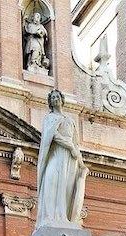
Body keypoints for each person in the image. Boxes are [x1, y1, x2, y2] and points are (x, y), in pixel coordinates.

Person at [36, 89, 89, 228]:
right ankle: (50, 217)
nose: (55, 99)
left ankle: (64, 218)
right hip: (56, 155)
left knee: (67, 188)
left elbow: (76, 143)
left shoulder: (70, 121)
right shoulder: (50, 118)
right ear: (50, 102)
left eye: (57, 97)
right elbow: (52, 136)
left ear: (62, 99)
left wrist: (82, 164)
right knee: (51, 182)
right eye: (52, 97)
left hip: (70, 160)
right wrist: (69, 146)